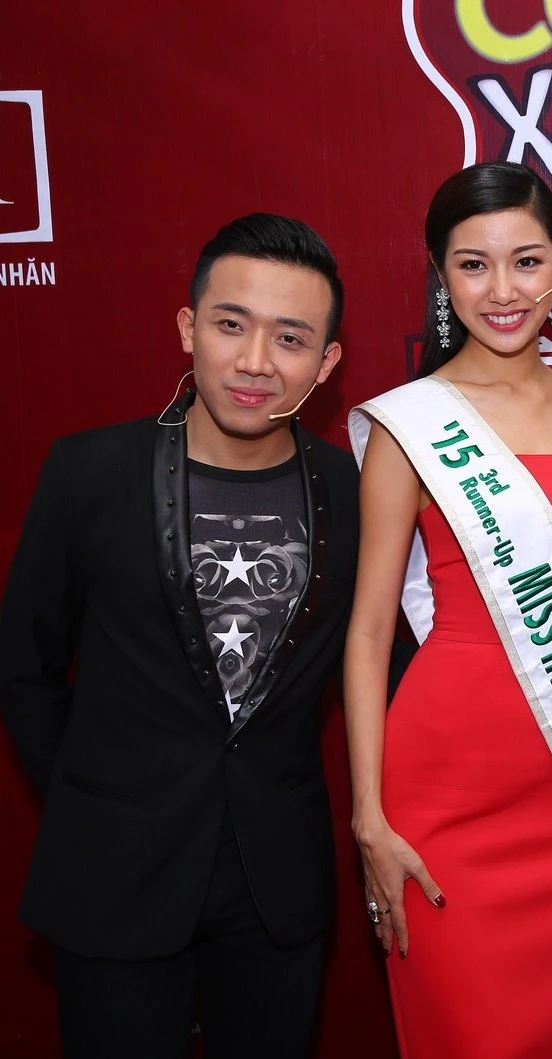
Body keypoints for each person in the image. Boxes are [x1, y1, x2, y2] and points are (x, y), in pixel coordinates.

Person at [0, 214, 358, 1058]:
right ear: (188, 327)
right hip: (115, 874)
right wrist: (101, 798)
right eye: (232, 324)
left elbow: (388, 657)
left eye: (291, 338)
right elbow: (24, 667)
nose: (255, 361)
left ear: (327, 363)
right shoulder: (90, 472)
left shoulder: (349, 486)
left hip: (275, 885)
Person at [344, 160, 552, 1058]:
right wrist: (369, 817)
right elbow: (368, 632)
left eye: (526, 261)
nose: (503, 290)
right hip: (445, 793)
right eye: (473, 265)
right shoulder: (411, 423)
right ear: (442, 275)